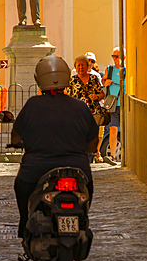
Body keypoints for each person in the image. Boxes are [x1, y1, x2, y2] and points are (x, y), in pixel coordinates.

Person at [10, 56, 98, 239]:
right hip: (77, 169)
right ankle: (82, 219)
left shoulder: (32, 105)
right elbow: (92, 142)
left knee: (21, 186)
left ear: (39, 78)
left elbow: (16, 136)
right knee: (87, 188)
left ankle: (25, 223)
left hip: (36, 168)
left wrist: (21, 143)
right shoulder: (81, 107)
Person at [66, 55, 106, 162]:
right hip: (77, 114)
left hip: (92, 113)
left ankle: (92, 154)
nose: (81, 67)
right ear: (75, 67)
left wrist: (97, 97)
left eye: (83, 65)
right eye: (78, 65)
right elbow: (66, 95)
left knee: (91, 135)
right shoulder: (72, 81)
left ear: (88, 66)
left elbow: (102, 94)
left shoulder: (93, 79)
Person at [101, 47, 124, 166]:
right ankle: (113, 156)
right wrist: (105, 82)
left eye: (117, 56)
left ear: (124, 58)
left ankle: (126, 155)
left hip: (125, 104)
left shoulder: (128, 70)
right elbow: (103, 82)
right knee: (113, 129)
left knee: (126, 131)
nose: (114, 59)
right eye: (113, 56)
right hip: (113, 104)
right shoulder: (109, 70)